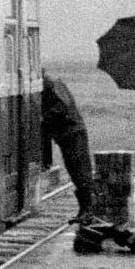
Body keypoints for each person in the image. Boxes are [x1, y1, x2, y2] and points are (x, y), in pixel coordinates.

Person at [41, 71, 96, 222]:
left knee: (81, 173)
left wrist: (44, 117)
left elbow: (62, 107)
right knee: (76, 173)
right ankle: (85, 210)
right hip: (67, 134)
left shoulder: (51, 83)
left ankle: (89, 211)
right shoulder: (49, 83)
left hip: (73, 132)